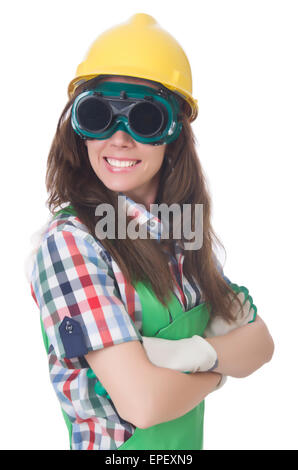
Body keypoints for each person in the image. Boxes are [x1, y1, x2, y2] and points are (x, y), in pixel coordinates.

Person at [27, 13, 274, 450]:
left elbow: (260, 343)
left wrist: (189, 357)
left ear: (174, 135)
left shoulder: (183, 232)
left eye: (144, 119)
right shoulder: (70, 243)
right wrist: (218, 365)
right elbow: (142, 404)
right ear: (79, 129)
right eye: (99, 114)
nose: (119, 139)